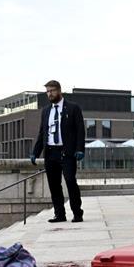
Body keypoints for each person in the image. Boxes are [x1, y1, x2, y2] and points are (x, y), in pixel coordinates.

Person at [29, 79, 85, 223]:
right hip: (50, 153)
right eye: (47, 91)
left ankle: (77, 213)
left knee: (70, 181)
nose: (49, 94)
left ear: (59, 90)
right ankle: (59, 214)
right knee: (54, 185)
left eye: (52, 90)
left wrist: (80, 149)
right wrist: (35, 152)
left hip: (67, 153)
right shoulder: (46, 111)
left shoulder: (73, 108)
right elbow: (42, 133)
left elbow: (80, 130)